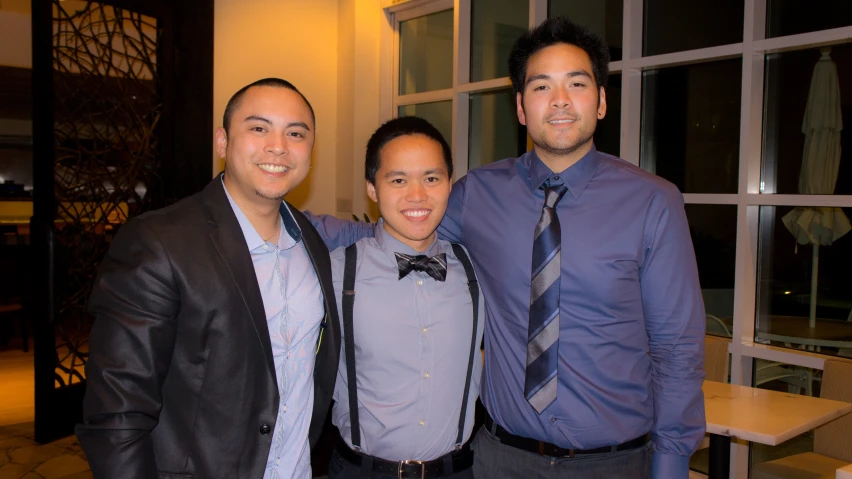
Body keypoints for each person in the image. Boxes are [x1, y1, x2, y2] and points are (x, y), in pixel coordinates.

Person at [307, 16, 706, 479]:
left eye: (576, 83)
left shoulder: (653, 201)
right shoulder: (479, 193)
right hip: (501, 459)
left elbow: (677, 348)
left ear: (600, 101)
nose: (559, 100)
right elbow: (400, 227)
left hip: (614, 462)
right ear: (520, 106)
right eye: (541, 87)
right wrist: (273, 216)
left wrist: (673, 462)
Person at [76, 78, 341, 479]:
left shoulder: (311, 244)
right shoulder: (160, 242)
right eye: (258, 127)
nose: (278, 145)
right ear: (222, 142)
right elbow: (118, 411)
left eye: (296, 133)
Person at [327, 116, 483, 479]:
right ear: (372, 187)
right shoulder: (337, 272)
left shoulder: (475, 269)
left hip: (457, 471)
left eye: (432, 178)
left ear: (449, 184)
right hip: (361, 471)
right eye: (398, 180)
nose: (417, 195)